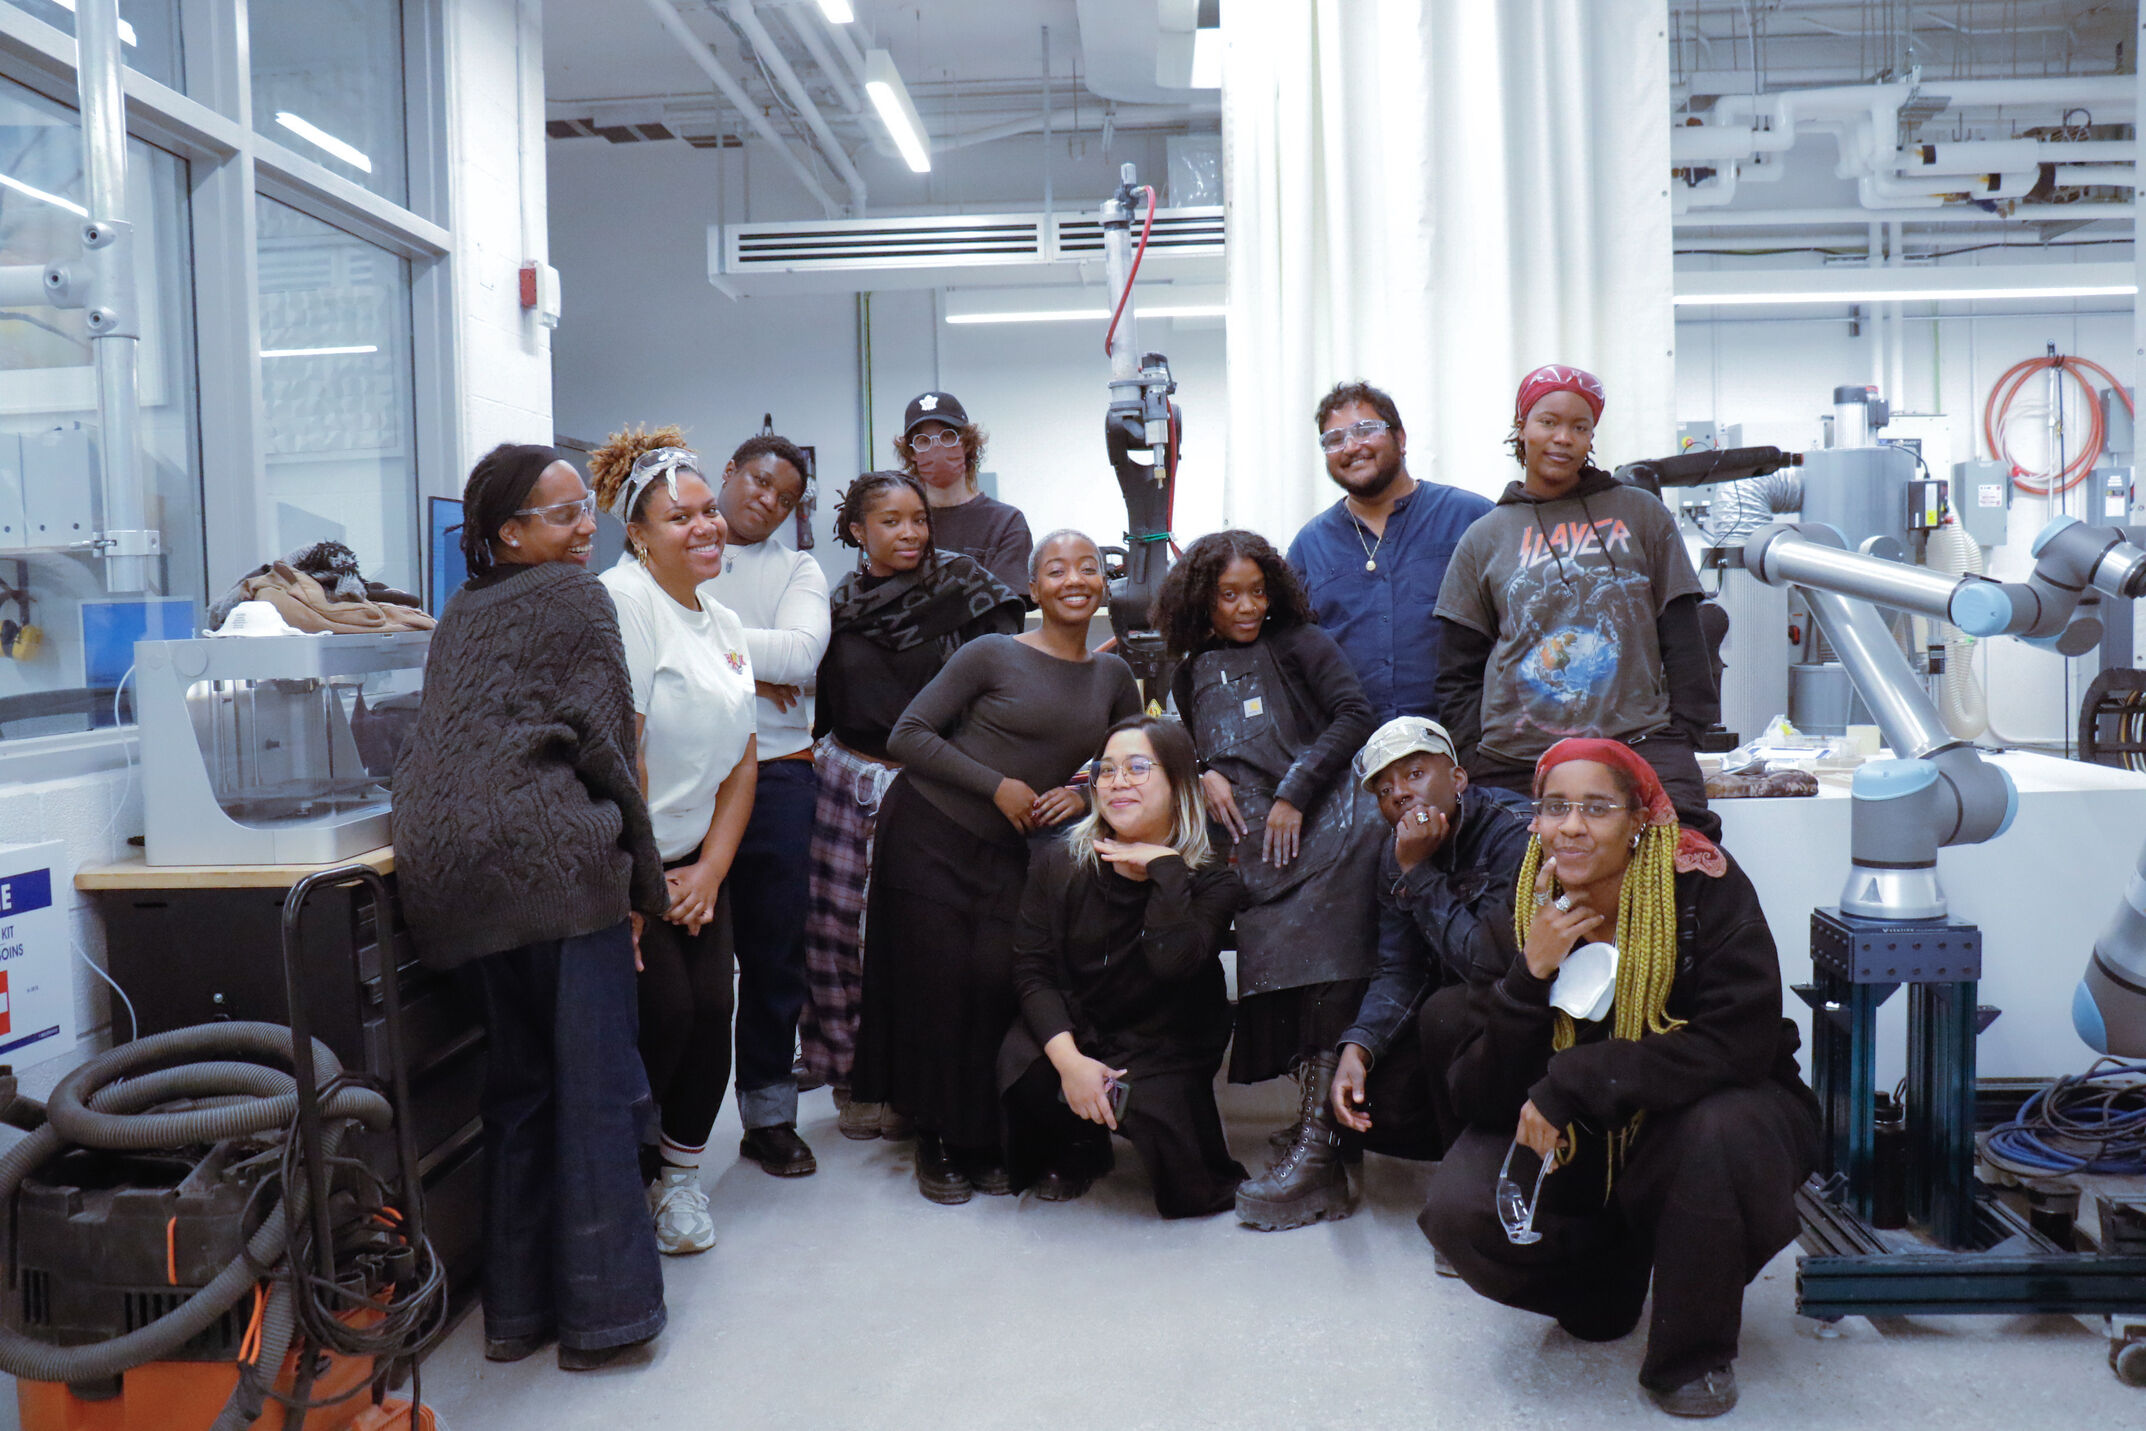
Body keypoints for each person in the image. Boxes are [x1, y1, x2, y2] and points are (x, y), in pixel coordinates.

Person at [1417, 739, 1821, 1419]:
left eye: (1597, 808)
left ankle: (1692, 1355)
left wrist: (1574, 1082)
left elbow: (1740, 1040)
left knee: (1718, 1132)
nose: (1571, 826)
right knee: (1462, 1208)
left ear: (1638, 819)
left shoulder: (1700, 885)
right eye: (1556, 807)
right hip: (1587, 1141)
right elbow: (1480, 1095)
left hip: (1700, 1116)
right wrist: (1529, 975)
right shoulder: (1524, 905)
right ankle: (1604, 1280)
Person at [393, 443, 667, 1371]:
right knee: (595, 1088)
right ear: (509, 532)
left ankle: (514, 1311)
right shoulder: (577, 598)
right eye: (565, 514)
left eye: (587, 506)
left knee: (517, 1088)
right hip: (550, 865)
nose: (587, 526)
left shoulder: (462, 611)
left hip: (447, 876)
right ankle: (605, 1319)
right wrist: (643, 882)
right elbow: (607, 750)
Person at [856, 529, 1142, 1205]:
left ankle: (979, 1133)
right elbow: (908, 734)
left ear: (1103, 585)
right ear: (1034, 588)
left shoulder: (1112, 675)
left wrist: (1082, 793)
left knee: (992, 981)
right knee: (936, 984)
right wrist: (998, 786)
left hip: (1007, 851)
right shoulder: (992, 652)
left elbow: (1134, 753)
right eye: (1056, 569)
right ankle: (937, 1139)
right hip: (929, 829)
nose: (1075, 579)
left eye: (1088, 567)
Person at [1151, 531, 1381, 1231]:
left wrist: (1294, 792)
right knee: (1279, 970)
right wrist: (1201, 769)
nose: (1247, 607)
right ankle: (1318, 1125)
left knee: (1325, 965)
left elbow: (1355, 715)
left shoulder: (1303, 644)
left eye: (1257, 591)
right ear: (1203, 600)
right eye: (1229, 595)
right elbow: (1181, 742)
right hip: (1253, 849)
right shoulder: (1188, 670)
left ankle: (1321, 1150)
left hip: (1331, 827)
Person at [800, 472, 1025, 1140]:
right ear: (857, 530)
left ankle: (919, 1087)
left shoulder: (969, 589)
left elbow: (1003, 689)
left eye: (919, 519)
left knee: (924, 943)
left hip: (938, 786)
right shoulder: (837, 606)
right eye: (891, 521)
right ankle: (853, 1076)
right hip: (848, 783)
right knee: (840, 941)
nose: (910, 533)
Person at [590, 427, 761, 1254]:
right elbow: (624, 753)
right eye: (679, 516)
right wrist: (645, 883)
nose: (705, 526)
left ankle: (682, 1182)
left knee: (714, 1011)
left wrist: (714, 868)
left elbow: (743, 759)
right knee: (665, 1015)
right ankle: (628, 1180)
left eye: (707, 511)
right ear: (638, 533)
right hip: (631, 862)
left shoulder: (722, 620)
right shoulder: (625, 602)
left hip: (697, 862)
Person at [1434, 364, 1722, 838]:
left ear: (1591, 438)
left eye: (1579, 427)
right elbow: (1457, 668)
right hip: (1519, 757)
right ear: (1521, 428)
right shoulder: (1484, 537)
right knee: (1513, 868)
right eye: (1548, 422)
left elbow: (1682, 632)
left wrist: (1685, 730)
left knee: (1684, 848)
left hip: (1639, 742)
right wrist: (1470, 750)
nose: (1563, 438)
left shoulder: (1642, 514)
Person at [1000, 715, 1249, 1218]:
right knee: (1026, 1067)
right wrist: (1071, 1065)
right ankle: (1079, 1139)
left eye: (1137, 768)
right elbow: (1033, 972)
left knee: (1190, 1186)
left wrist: (1166, 870)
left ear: (1178, 784)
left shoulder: (1213, 880)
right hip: (1085, 1023)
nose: (1117, 782)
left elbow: (1173, 964)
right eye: (1106, 771)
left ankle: (1105, 1109)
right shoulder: (1059, 862)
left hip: (1166, 1040)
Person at [1326, 717, 1533, 1168]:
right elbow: (1399, 968)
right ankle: (1469, 1154)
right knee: (1365, 1102)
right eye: (1384, 790)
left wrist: (1418, 873)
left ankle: (1477, 1165)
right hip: (1454, 1023)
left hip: (1521, 1013)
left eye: (1415, 774)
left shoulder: (1514, 833)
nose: (1399, 793)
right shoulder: (1397, 852)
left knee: (1445, 1012)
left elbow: (1486, 965)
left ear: (1457, 779)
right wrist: (1358, 1048)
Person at [705, 432, 829, 1176]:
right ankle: (665, 1132)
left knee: (775, 955)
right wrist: (750, 664)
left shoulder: (798, 568)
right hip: (687, 777)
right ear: (728, 472)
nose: (767, 501)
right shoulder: (668, 549)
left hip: (780, 773)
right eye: (757, 481)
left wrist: (701, 645)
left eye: (785, 498)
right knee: (688, 973)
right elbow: (641, 648)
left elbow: (800, 656)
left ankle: (770, 1118)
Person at [1286, 381, 1495, 723]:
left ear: (1400, 438)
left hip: (1463, 736)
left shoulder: (1472, 518)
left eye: (1365, 430)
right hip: (1353, 745)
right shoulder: (1309, 547)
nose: (1351, 447)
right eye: (1334, 439)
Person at [895, 389, 1033, 594]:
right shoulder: (897, 526)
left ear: (967, 444)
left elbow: (1006, 605)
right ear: (911, 453)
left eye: (947, 436)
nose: (936, 448)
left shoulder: (1006, 523)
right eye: (923, 441)